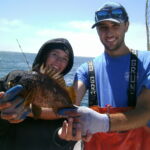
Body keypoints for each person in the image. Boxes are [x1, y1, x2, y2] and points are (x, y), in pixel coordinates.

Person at [57, 2, 150, 150]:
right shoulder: (86, 69)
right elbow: (65, 105)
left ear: (126, 25)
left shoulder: (147, 62)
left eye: (115, 25)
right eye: (103, 27)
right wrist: (28, 107)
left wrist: (102, 122)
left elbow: (146, 111)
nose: (109, 33)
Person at [0, 38, 76, 150]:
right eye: (54, 54)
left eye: (65, 58)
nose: (59, 61)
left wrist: (61, 139)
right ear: (44, 55)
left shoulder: (64, 106)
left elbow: (65, 142)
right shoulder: (16, 76)